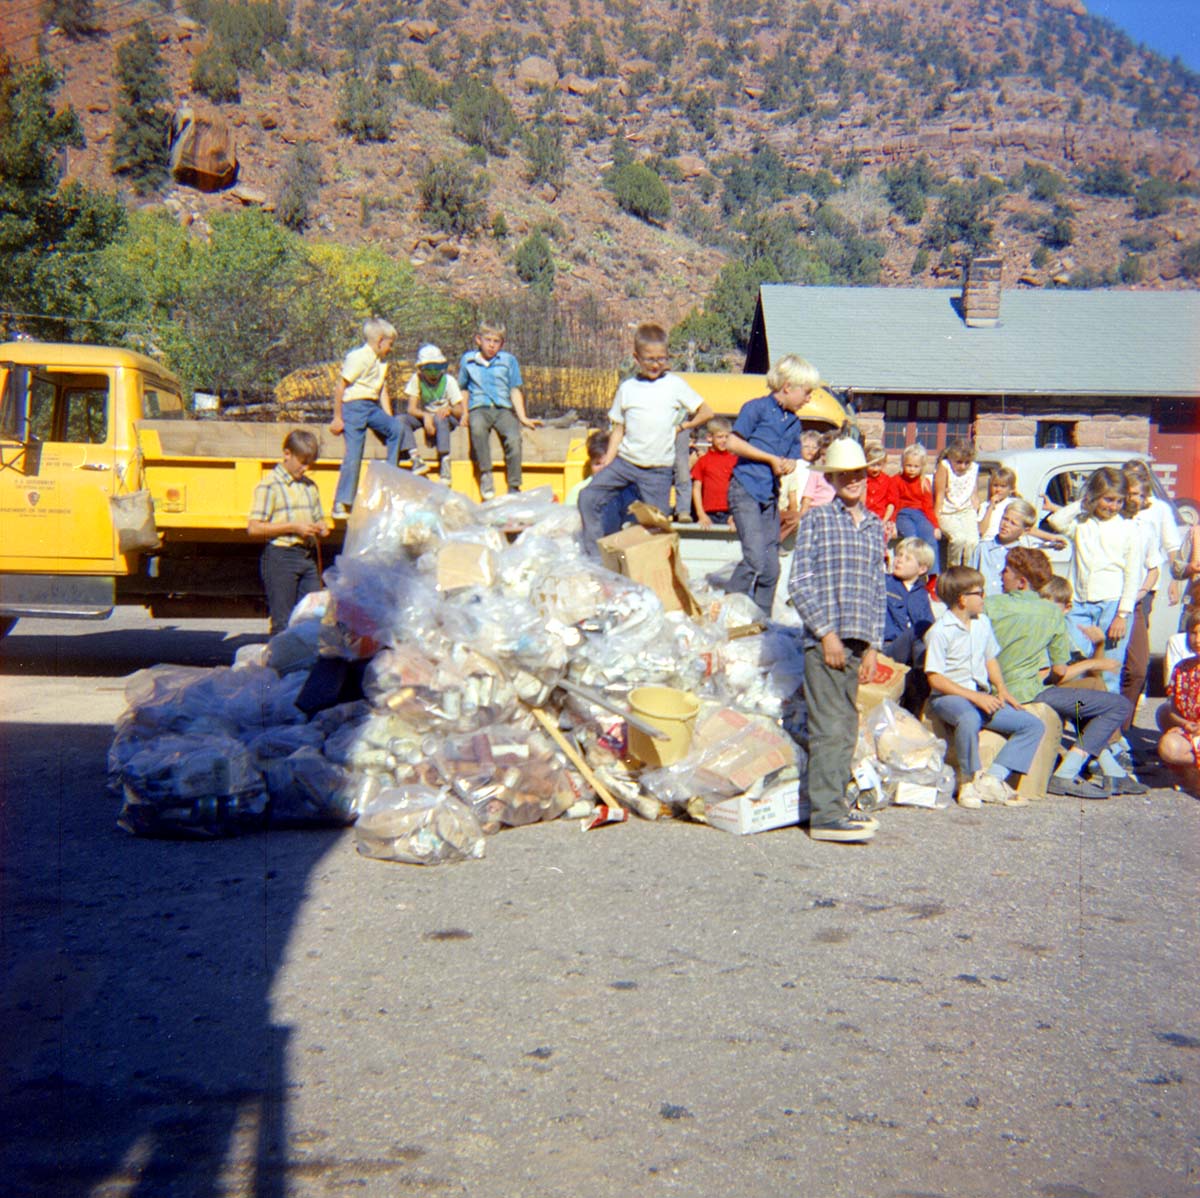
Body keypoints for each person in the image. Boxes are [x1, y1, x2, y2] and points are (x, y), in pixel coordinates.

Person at [788, 438, 887, 842]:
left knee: (845, 727)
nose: (852, 481)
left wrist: (873, 647)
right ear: (830, 478)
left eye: (858, 474)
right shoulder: (817, 520)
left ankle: (832, 805)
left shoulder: (875, 526)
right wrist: (825, 633)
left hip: (858, 642)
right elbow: (799, 582)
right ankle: (826, 817)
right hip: (826, 640)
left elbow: (877, 588)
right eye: (843, 475)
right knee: (830, 727)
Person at [986, 546, 1142, 798]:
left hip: (992, 689)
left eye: (1006, 571)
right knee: (1116, 706)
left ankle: (1111, 770)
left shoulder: (989, 605)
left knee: (1087, 697)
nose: (1001, 574)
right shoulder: (1051, 613)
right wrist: (1092, 663)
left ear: (1022, 581)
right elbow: (1058, 671)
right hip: (1032, 693)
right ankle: (1071, 770)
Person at [579, 324, 713, 554]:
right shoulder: (628, 388)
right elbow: (618, 429)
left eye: (661, 359)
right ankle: (595, 557)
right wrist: (608, 462)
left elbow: (706, 411)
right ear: (636, 358)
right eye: (649, 359)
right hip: (625, 463)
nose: (655, 364)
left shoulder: (674, 385)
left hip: (657, 470)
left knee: (657, 526)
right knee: (588, 497)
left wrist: (682, 426)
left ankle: (656, 571)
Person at [924, 565, 1046, 808]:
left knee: (1031, 724)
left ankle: (992, 779)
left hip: (979, 694)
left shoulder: (982, 624)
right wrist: (975, 698)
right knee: (969, 718)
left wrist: (1001, 689)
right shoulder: (940, 632)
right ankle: (969, 779)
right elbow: (935, 678)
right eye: (979, 593)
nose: (984, 597)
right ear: (962, 599)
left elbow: (990, 658)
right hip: (950, 696)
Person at [723, 355, 817, 612]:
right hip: (745, 489)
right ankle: (727, 607)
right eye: (807, 392)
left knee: (771, 568)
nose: (809, 398)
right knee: (754, 558)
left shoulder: (794, 423)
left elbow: (790, 460)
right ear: (788, 387)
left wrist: (786, 464)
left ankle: (761, 621)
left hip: (769, 496)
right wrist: (770, 458)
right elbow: (732, 443)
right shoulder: (756, 408)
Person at [1047, 466, 1140, 695]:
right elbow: (1056, 521)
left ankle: (1109, 730)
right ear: (1095, 496)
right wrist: (1082, 503)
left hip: (1112, 607)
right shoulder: (1082, 524)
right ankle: (1080, 728)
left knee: (1108, 672)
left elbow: (1132, 575)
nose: (1113, 506)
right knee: (1077, 668)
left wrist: (1122, 614)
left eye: (1119, 501)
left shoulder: (1129, 529)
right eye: (1108, 499)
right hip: (1079, 604)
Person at [329, 318, 415, 517]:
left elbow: (382, 390)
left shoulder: (382, 362)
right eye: (389, 344)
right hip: (353, 407)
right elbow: (340, 387)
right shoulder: (358, 357)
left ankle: (390, 478)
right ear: (379, 341)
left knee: (397, 429)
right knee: (354, 454)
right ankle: (342, 502)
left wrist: (389, 419)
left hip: (371, 406)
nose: (390, 348)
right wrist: (337, 417)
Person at [247, 430, 331, 635]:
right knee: (283, 623)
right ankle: (278, 664)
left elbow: (319, 518)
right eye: (302, 462)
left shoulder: (310, 486)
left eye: (310, 463)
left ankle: (305, 666)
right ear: (287, 454)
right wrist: (293, 527)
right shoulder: (269, 485)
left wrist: (322, 527)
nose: (306, 468)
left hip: (307, 557)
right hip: (281, 557)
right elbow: (254, 528)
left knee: (313, 618)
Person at [1120, 459, 1182, 731]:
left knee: (1136, 660)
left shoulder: (1158, 510)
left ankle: (1125, 723)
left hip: (1143, 588)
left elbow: (1170, 546)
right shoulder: (1116, 513)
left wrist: (1174, 580)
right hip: (1114, 588)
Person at [457, 321, 538, 499]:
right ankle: (486, 473)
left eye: (496, 341)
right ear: (479, 340)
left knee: (514, 438)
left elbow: (514, 389)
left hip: (502, 409)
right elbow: (463, 388)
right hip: (479, 407)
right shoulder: (468, 360)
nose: (492, 345)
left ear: (502, 344)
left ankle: (514, 485)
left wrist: (522, 416)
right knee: (477, 430)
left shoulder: (508, 361)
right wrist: (465, 412)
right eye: (488, 340)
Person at [884, 536, 935, 714]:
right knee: (920, 628)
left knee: (923, 637)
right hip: (888, 647)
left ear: (922, 569)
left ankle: (914, 711)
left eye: (907, 558)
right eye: (899, 555)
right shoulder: (884, 583)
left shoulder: (921, 594)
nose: (899, 560)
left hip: (913, 654)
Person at [404, 343, 465, 483]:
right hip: (427, 416)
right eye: (428, 369)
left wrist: (448, 410)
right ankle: (415, 458)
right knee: (401, 420)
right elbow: (411, 408)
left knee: (440, 418)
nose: (433, 374)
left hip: (445, 418)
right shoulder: (417, 379)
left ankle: (445, 460)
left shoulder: (449, 381)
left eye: (436, 369)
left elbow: (459, 410)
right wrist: (425, 416)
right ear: (421, 369)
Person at [1157, 606, 1200, 790]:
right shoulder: (1182, 668)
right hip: (1193, 731)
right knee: (1168, 746)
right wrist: (1184, 724)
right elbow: (1173, 709)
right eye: (1193, 633)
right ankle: (1190, 771)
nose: (1197, 640)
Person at [933, 439, 980, 568]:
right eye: (959, 462)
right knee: (958, 539)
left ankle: (967, 570)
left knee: (972, 541)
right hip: (948, 512)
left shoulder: (974, 468)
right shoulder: (945, 466)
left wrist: (976, 512)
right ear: (951, 458)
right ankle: (953, 569)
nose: (963, 466)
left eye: (967, 463)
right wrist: (935, 521)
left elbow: (973, 492)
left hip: (966, 510)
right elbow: (940, 495)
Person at [892, 443, 940, 559]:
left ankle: (932, 574)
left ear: (922, 467)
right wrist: (892, 523)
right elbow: (893, 503)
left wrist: (935, 526)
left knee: (929, 538)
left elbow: (928, 507)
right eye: (908, 465)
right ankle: (911, 569)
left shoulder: (924, 483)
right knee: (912, 538)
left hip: (920, 514)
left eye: (916, 466)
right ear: (903, 464)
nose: (912, 469)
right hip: (903, 514)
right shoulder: (896, 480)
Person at [690, 416, 737, 528]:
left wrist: (736, 515)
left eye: (727, 437)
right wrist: (701, 514)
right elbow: (696, 488)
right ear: (709, 437)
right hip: (709, 515)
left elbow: (738, 489)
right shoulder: (703, 461)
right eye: (720, 437)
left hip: (730, 514)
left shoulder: (735, 461)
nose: (724, 440)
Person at [864, 441, 896, 538]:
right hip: (865, 515)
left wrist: (884, 520)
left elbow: (891, 504)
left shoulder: (887, 480)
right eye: (872, 465)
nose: (875, 469)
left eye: (878, 465)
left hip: (881, 516)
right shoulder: (863, 479)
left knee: (883, 534)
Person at [977, 466, 1017, 541]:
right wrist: (991, 507)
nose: (998, 490)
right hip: (987, 541)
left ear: (1011, 489)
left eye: (1003, 486)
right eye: (995, 485)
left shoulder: (1013, 504)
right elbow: (981, 531)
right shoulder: (984, 506)